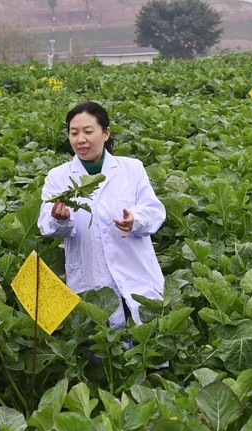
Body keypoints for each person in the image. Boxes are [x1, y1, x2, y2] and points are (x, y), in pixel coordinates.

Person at [37, 101, 166, 329]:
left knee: (145, 347)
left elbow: (154, 212)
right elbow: (46, 226)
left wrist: (134, 220)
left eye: (88, 131)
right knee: (101, 350)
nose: (80, 139)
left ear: (106, 133)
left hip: (136, 276)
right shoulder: (58, 177)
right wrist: (61, 220)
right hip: (91, 280)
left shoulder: (131, 169)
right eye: (73, 133)